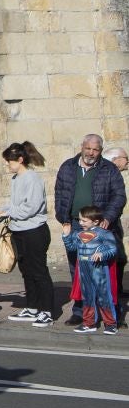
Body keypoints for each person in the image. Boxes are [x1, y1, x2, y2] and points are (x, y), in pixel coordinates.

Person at [53, 134, 125, 324]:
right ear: (82, 146)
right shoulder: (68, 167)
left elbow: (119, 196)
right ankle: (80, 311)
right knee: (77, 268)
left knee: (109, 268)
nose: (91, 153)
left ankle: (113, 312)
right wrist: (63, 218)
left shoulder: (109, 169)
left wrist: (108, 218)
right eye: (88, 148)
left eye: (96, 150)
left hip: (102, 226)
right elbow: (60, 193)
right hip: (77, 224)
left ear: (100, 151)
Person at [0, 141, 54, 328]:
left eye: (9, 161)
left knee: (39, 271)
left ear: (20, 160)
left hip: (34, 231)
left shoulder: (32, 178)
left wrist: (10, 212)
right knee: (26, 271)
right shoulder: (16, 179)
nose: (6, 165)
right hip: (19, 231)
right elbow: (15, 204)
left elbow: (32, 207)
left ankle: (48, 311)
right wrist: (3, 210)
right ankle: (32, 307)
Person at [63, 206, 118, 335]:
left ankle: (110, 324)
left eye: (84, 221)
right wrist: (66, 235)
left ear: (96, 221)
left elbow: (112, 249)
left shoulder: (104, 233)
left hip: (98, 269)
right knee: (87, 296)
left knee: (104, 295)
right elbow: (71, 248)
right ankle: (89, 323)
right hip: (83, 268)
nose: (80, 223)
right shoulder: (78, 234)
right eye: (80, 220)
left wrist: (102, 255)